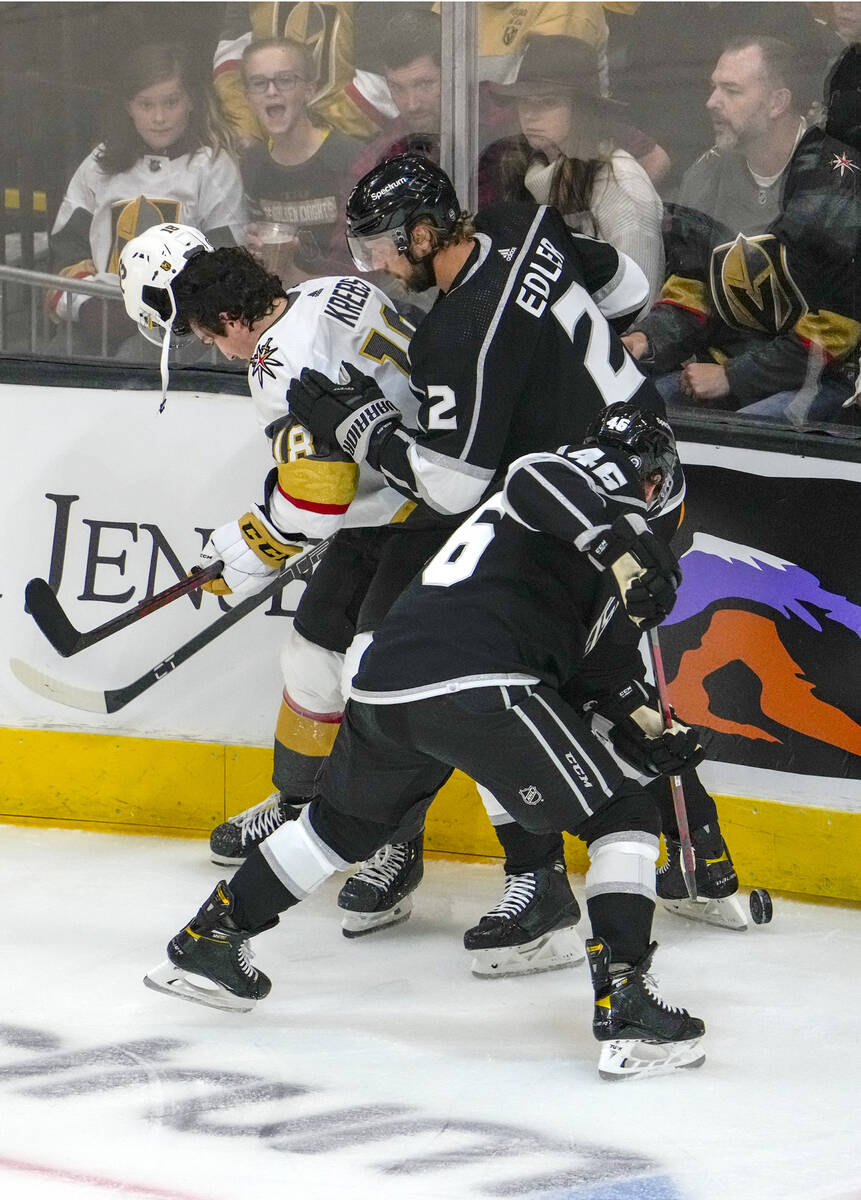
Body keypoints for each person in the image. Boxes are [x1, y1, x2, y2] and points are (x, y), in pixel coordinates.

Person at [144, 404, 709, 1083]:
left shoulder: (593, 544)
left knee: (339, 827)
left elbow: (596, 675)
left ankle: (210, 940)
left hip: (386, 682)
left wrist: (649, 732)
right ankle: (628, 1009)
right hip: (478, 680)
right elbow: (537, 475)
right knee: (622, 818)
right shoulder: (584, 488)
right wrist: (618, 545)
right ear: (658, 481)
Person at [118, 218, 584, 975]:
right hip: (393, 506)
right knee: (310, 658)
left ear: (232, 317)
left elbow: (317, 494)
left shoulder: (274, 360)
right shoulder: (329, 289)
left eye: (209, 337)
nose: (215, 350)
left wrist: (254, 547)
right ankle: (306, 811)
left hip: (436, 511)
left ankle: (504, 870)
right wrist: (270, 530)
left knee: (401, 686)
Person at [49, 43, 245, 354]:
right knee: (55, 359)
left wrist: (161, 310)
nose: (159, 117)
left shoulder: (212, 167)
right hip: (102, 312)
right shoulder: (100, 162)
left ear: (191, 101)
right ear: (128, 106)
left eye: (171, 102)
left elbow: (226, 260)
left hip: (180, 326)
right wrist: (87, 309)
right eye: (146, 104)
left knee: (131, 359)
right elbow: (65, 252)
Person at [481, 34, 665, 308]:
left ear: (581, 108)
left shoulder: (620, 182)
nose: (529, 114)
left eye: (547, 102)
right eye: (524, 101)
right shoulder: (524, 172)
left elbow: (639, 303)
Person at [239, 37, 361, 283]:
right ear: (248, 96)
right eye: (259, 83)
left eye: (285, 80)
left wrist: (291, 274)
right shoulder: (251, 165)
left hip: (342, 305)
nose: (271, 91)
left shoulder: (350, 159)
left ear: (309, 90)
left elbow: (369, 266)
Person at [674, 36, 810, 236]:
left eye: (731, 90)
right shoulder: (704, 176)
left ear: (777, 103)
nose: (711, 102)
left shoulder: (838, 182)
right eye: (714, 88)